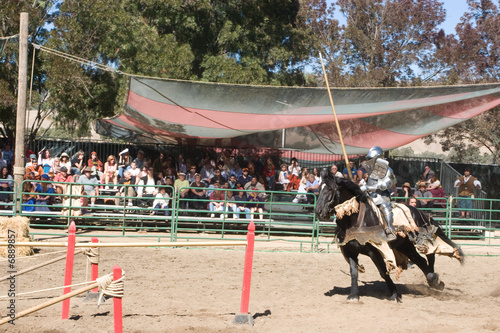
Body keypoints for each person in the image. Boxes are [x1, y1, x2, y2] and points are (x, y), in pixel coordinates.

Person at [359, 146, 396, 238]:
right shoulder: (371, 170)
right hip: (369, 196)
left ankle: (390, 229)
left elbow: (387, 184)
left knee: (385, 206)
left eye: (371, 158)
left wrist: (368, 187)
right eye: (369, 158)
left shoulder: (387, 169)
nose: (369, 160)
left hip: (382, 196)